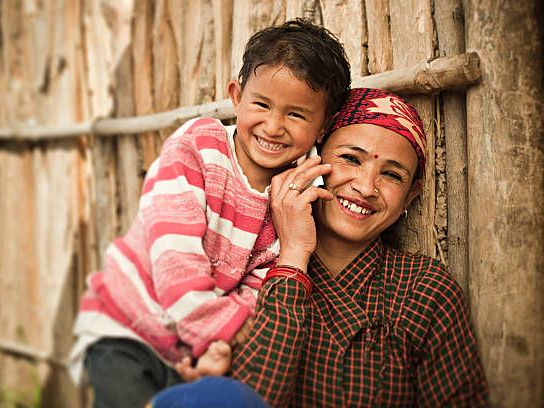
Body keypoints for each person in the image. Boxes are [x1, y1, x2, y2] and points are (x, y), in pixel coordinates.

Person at [68, 19, 351, 408]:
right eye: (262, 104)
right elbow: (174, 263)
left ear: (324, 126)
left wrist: (215, 348)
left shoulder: (294, 192)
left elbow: (259, 284)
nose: (273, 126)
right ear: (237, 97)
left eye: (297, 115)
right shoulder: (197, 148)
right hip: (128, 327)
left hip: (193, 346)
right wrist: (225, 334)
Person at [149, 88, 489, 407]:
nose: (366, 187)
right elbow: (252, 399)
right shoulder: (242, 266)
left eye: (392, 176)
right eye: (351, 159)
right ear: (309, 159)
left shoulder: (423, 289)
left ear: (409, 197)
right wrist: (294, 256)